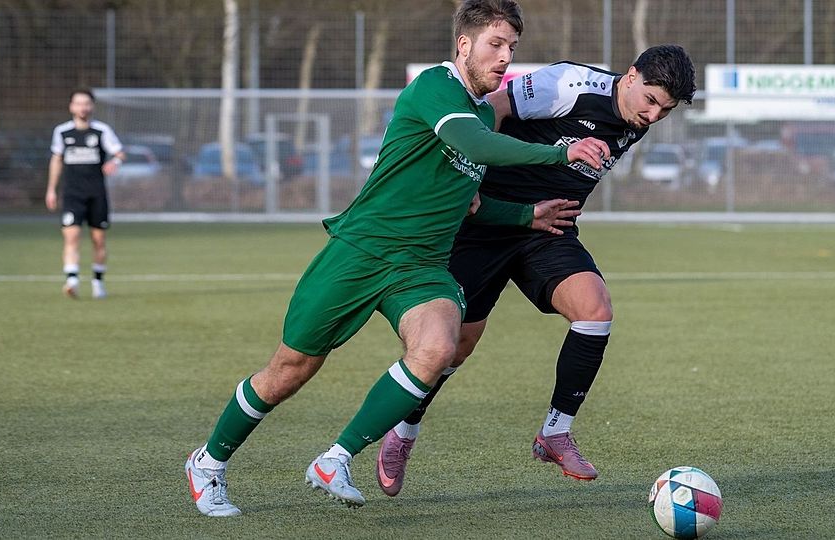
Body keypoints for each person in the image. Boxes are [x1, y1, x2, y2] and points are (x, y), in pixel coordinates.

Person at [184, 0, 612, 516]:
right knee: (289, 370)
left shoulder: (480, 112)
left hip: (420, 266)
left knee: (437, 348)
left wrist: (527, 216)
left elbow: (471, 201)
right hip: (361, 252)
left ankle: (335, 458)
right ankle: (208, 462)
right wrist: (558, 153)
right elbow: (469, 142)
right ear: (464, 45)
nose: (505, 56)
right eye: (496, 44)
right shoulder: (437, 88)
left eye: (512, 47)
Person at [375, 45, 696, 495]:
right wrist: (467, 183)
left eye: (665, 109)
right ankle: (403, 433)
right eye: (650, 99)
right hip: (486, 224)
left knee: (595, 311)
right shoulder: (570, 85)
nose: (653, 114)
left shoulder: (638, 119)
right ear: (630, 75)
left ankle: (554, 432)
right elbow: (490, 111)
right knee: (452, 348)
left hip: (550, 231)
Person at [46, 88, 125, 300]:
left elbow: (120, 152)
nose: (83, 107)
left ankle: (98, 283)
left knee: (98, 240)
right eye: (78, 103)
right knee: (71, 236)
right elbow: (56, 159)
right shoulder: (62, 132)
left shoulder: (101, 131)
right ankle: (71, 281)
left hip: (97, 193)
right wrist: (51, 189)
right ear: (71, 107)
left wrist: (114, 162)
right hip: (72, 194)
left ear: (92, 107)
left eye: (86, 103)